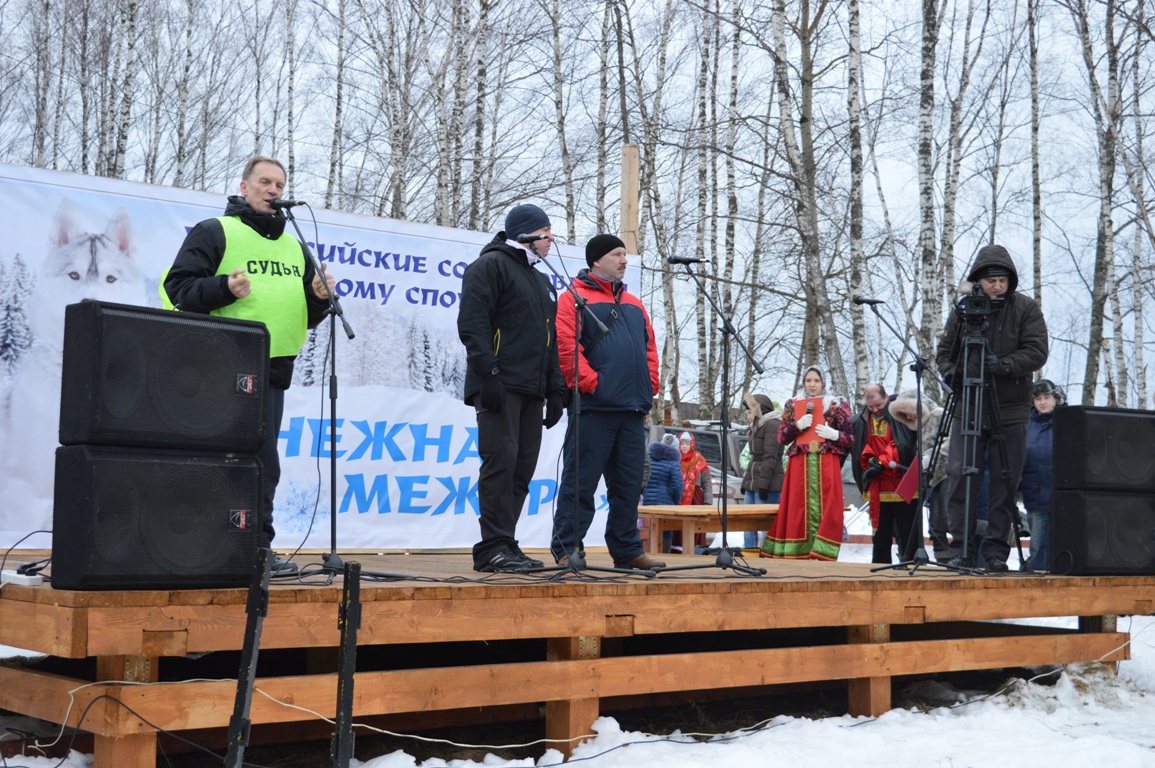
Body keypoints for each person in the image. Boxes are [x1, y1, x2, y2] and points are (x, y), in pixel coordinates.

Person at [163, 156, 336, 575]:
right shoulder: (216, 231)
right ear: (244, 187)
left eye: (279, 184)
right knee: (221, 463)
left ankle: (256, 549)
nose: (273, 190)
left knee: (262, 464)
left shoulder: (295, 245)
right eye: (265, 182)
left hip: (272, 370)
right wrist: (224, 287)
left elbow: (304, 317)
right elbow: (177, 289)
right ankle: (201, 547)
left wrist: (316, 296)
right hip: (217, 370)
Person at [457, 203, 568, 573]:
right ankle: (491, 546)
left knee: (522, 468)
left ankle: (506, 541)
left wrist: (555, 389)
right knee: (500, 463)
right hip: (500, 383)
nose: (552, 241)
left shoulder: (540, 280)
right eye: (547, 234)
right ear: (528, 234)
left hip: (532, 388)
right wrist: (488, 374)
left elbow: (549, 340)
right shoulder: (489, 266)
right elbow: (473, 325)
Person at [548, 234, 664, 570]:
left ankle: (627, 550)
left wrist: (650, 385)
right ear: (596, 259)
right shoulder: (572, 298)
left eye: (625, 255)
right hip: (594, 407)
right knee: (580, 483)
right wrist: (592, 384)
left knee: (628, 485)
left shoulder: (634, 303)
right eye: (617, 254)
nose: (624, 260)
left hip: (632, 409)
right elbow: (566, 348)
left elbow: (650, 349)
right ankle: (567, 548)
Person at [935, 245, 1049, 571]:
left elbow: (1037, 351)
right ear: (978, 282)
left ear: (1010, 281)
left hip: (1011, 408)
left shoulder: (1025, 308)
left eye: (1001, 280)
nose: (996, 286)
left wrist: (1003, 365)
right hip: (968, 405)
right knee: (959, 476)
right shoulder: (964, 309)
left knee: (1005, 481)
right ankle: (962, 549)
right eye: (990, 281)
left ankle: (997, 552)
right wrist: (950, 371)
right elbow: (945, 350)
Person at [761, 366, 853, 561]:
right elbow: (782, 438)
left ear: (823, 383)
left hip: (826, 462)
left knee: (827, 504)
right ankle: (797, 550)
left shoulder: (835, 405)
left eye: (816, 381)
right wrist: (797, 426)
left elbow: (850, 438)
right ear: (803, 382)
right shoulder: (793, 404)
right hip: (800, 464)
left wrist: (834, 434)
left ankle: (822, 551)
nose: (812, 384)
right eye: (809, 380)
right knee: (797, 506)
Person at [851, 384, 920, 564]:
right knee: (880, 534)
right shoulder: (861, 420)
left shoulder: (901, 416)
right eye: (871, 407)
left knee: (907, 532)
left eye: (879, 406)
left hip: (903, 484)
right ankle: (880, 570)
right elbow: (862, 447)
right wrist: (871, 462)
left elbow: (903, 445)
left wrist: (882, 462)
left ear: (886, 397)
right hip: (878, 485)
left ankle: (911, 568)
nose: (875, 410)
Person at [1020, 378, 1063, 572]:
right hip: (1034, 493)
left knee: (1064, 544)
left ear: (1055, 398)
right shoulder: (1025, 424)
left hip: (1063, 494)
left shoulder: (1068, 420)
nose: (1043, 402)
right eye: (1037, 398)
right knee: (1038, 545)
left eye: (1046, 397)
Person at [740, 393, 784, 548]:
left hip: (768, 484)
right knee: (748, 523)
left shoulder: (772, 425)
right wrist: (747, 482)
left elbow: (769, 458)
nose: (747, 415)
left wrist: (764, 485)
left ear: (760, 410)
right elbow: (754, 458)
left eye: (750, 411)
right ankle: (750, 554)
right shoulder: (758, 426)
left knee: (765, 526)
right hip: (754, 482)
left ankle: (770, 556)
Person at [671, 431, 712, 553]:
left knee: (695, 524)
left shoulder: (699, 460)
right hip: (678, 498)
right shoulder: (674, 458)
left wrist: (707, 503)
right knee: (678, 526)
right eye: (682, 443)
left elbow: (707, 482)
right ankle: (677, 551)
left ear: (692, 444)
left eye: (687, 444)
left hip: (696, 498)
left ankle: (695, 549)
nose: (684, 446)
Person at [642, 434, 684, 507]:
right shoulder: (674, 463)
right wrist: (675, 501)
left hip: (645, 501)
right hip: (665, 503)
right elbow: (678, 486)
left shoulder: (648, 459)